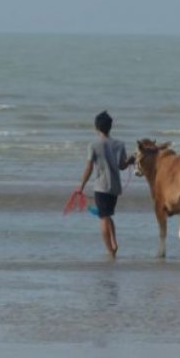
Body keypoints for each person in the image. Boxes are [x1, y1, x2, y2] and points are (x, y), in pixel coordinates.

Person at [78, 110, 134, 258]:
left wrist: (81, 186)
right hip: (115, 188)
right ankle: (114, 243)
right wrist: (129, 161)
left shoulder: (93, 145)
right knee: (108, 215)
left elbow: (89, 168)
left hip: (101, 187)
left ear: (96, 128)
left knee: (103, 218)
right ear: (110, 127)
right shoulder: (119, 144)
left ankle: (110, 250)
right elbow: (122, 166)